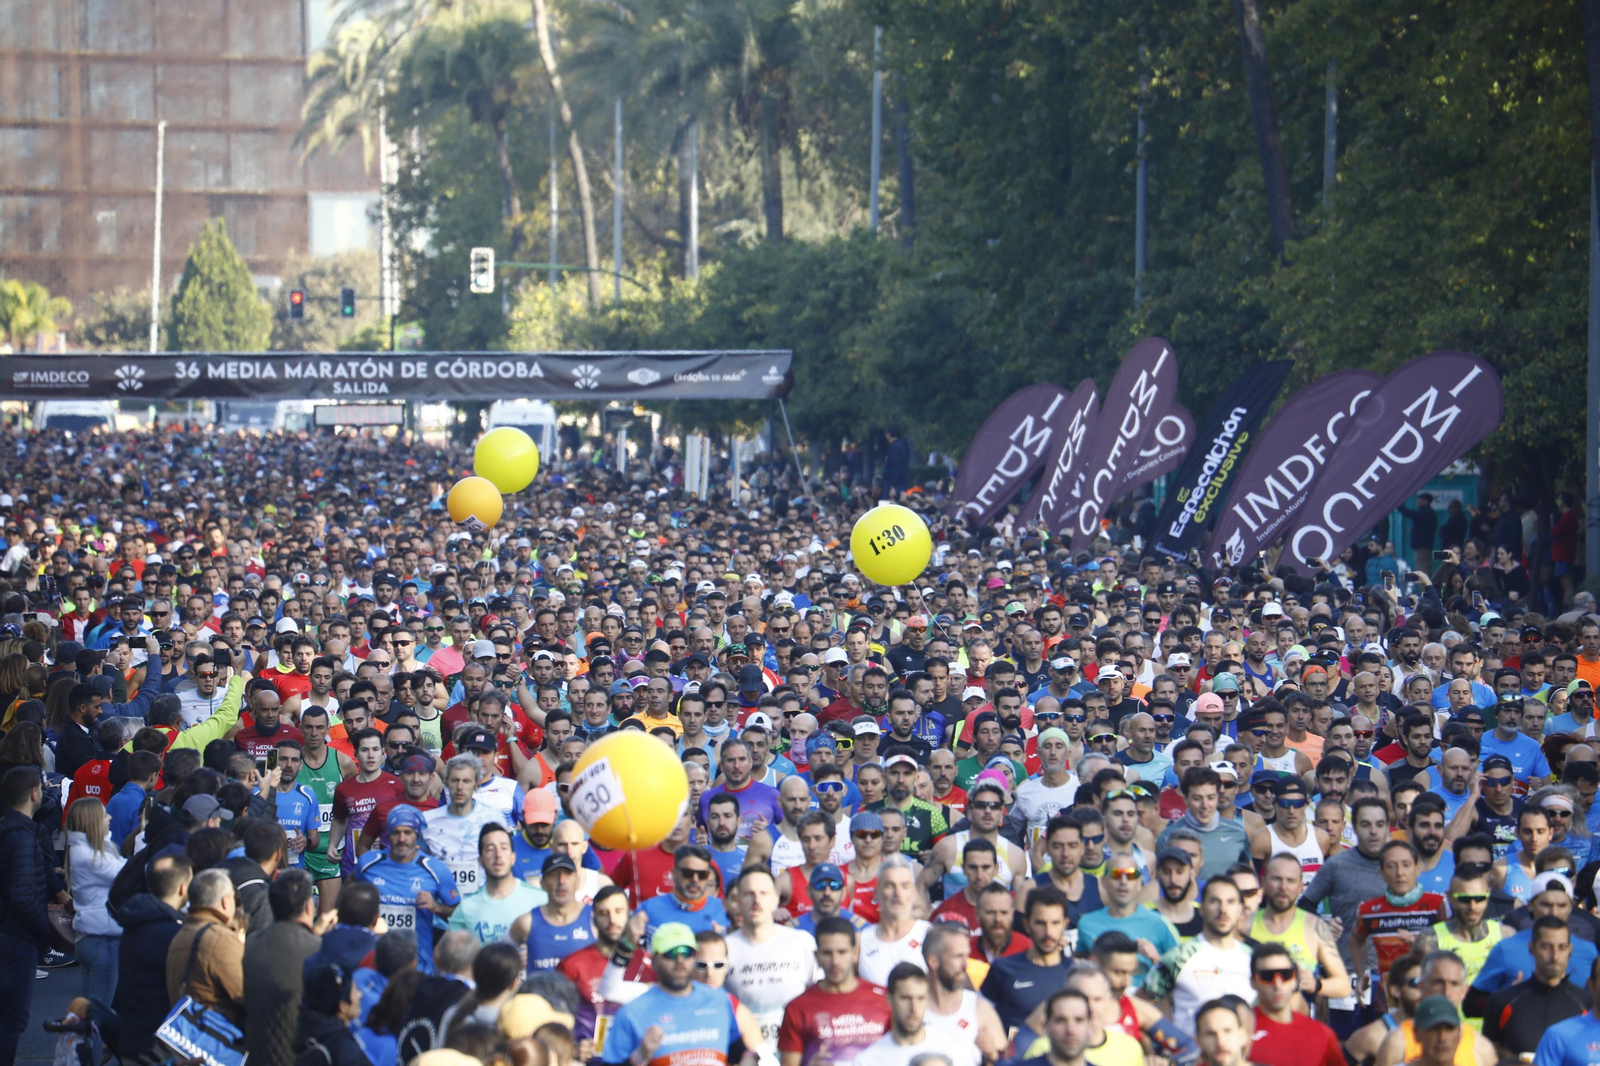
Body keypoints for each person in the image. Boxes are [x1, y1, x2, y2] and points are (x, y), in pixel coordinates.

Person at [600, 922, 747, 1066]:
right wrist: (640, 1056)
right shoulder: (631, 1013)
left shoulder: (719, 1000)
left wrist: (753, 1056)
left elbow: (739, 1053)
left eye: (687, 953)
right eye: (670, 953)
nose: (680, 961)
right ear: (653, 961)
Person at [724, 866, 820, 1065]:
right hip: (746, 1056)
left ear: (776, 900)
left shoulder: (802, 942)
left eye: (763, 893)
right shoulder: (725, 948)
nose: (756, 901)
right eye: (749, 894)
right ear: (738, 901)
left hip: (798, 1053)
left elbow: (820, 996)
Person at [1143, 877, 1255, 1035]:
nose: (1223, 909)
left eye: (1230, 902)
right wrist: (1166, 1048)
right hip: (1192, 1057)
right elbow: (1142, 1004)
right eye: (1215, 901)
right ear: (1201, 908)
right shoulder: (1178, 957)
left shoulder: (1253, 958)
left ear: (1240, 909)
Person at [356, 805, 461, 972]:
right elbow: (346, 898)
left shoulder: (436, 869)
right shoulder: (368, 863)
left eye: (408, 832)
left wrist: (437, 907)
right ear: (388, 835)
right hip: (374, 963)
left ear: (417, 835)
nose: (401, 838)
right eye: (396, 832)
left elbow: (459, 914)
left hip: (418, 965)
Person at [777, 916, 891, 1066]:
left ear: (855, 953)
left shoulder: (886, 998)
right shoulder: (797, 1008)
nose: (835, 961)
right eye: (827, 953)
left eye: (842, 952)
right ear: (816, 956)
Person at [245, 869, 329, 1066]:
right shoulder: (318, 950)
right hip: (299, 1057)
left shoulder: (251, 944)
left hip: (257, 1055)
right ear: (309, 907)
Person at [0, 766, 55, 1063]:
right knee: (13, 1019)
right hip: (17, 939)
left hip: (9, 932)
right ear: (34, 794)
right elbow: (22, 895)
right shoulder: (21, 837)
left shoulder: (8, 829)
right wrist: (44, 930)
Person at [1479, 916, 1587, 1059]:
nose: (1554, 956)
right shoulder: (1502, 1001)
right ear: (1531, 948)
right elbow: (1488, 1057)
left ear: (1570, 950)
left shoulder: (1587, 1004)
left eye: (1562, 947)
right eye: (1546, 947)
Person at [980, 884, 1072, 1034]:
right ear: (1026, 925)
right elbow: (981, 1017)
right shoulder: (1002, 969)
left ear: (1065, 925)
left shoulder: (1075, 974)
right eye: (1040, 923)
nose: (1048, 932)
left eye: (1055, 923)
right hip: (1013, 1056)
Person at [165, 866, 248, 1025]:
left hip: (190, 1034)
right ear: (225, 902)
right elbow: (246, 993)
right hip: (219, 1037)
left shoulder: (181, 934)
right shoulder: (219, 938)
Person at [65, 795, 126, 1007]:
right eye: (104, 814)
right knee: (99, 1017)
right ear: (93, 821)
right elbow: (126, 873)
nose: (109, 817)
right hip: (102, 938)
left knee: (89, 1012)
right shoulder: (91, 856)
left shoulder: (85, 851)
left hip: (90, 936)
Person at [1246, 942, 1344, 1066]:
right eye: (1267, 976)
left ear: (1294, 980)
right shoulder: (1238, 1031)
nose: (1278, 984)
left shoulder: (1322, 1034)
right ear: (1252, 982)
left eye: (1285, 975)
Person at [920, 922, 1005, 1064]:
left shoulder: (979, 1008)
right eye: (958, 957)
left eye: (967, 956)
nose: (966, 964)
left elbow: (1007, 1061)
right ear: (933, 962)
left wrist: (992, 1054)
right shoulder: (913, 1008)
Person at [448, 823, 547, 943]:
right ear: (480, 860)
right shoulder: (466, 908)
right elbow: (443, 956)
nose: (498, 855)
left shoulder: (540, 899)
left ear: (513, 857)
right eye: (490, 849)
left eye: (504, 848)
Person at [858, 856, 932, 986]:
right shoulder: (860, 941)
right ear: (876, 894)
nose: (897, 893)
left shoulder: (930, 935)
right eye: (889, 885)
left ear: (914, 893)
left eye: (905, 886)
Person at [860, 963, 941, 1065]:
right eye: (906, 998)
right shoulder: (867, 1061)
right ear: (889, 999)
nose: (914, 1008)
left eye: (920, 998)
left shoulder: (950, 1052)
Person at [295, 960, 369, 1066]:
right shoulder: (350, 1056)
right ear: (343, 1006)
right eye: (355, 990)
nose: (360, 994)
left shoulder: (308, 1026)